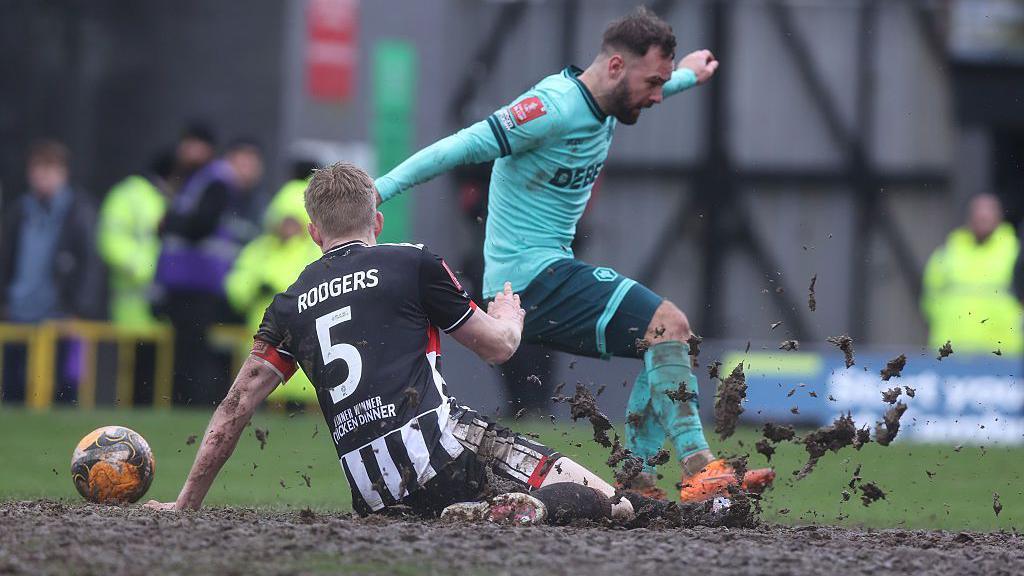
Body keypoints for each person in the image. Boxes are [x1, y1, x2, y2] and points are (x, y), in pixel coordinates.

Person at [372, 7, 773, 501]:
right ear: (615, 67)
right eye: (652, 82)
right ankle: (701, 468)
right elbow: (457, 147)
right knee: (669, 325)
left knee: (663, 343)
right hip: (529, 278)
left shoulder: (607, 100)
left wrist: (686, 75)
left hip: (544, 274)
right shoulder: (553, 106)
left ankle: (638, 483)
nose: (655, 95)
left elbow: (647, 91)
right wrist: (379, 190)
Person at [146, 162, 634, 525]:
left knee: (441, 480)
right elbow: (498, 349)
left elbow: (235, 407)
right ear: (376, 223)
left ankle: (482, 510)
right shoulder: (413, 263)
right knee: (614, 505)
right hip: (444, 453)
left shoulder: (289, 305)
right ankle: (513, 512)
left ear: (315, 233)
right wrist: (509, 319)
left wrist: (185, 501)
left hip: (375, 496)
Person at [156, 138, 264, 405]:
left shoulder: (204, 180)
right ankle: (191, 402)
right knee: (194, 349)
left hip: (186, 278)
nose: (249, 171)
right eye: (245, 163)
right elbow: (200, 225)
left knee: (190, 347)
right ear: (232, 159)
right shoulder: (220, 183)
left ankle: (187, 401)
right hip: (196, 280)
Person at [0, 140, 104, 402]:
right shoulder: (19, 210)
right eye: (38, 169)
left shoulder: (79, 210)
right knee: (14, 383)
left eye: (50, 169)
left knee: (63, 386)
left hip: (61, 312)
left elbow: (90, 263)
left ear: (63, 173)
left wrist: (79, 309)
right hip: (20, 308)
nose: (43, 176)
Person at [225, 163, 322, 406]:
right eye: (284, 219)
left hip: (305, 361)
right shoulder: (259, 250)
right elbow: (235, 287)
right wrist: (254, 288)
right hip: (262, 344)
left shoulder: (315, 252)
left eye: (294, 220)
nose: (288, 226)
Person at [922, 193, 1022, 355]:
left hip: (1004, 353)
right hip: (952, 351)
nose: (982, 216)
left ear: (1000, 216)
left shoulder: (1016, 253)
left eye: (988, 211)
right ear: (968, 217)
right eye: (978, 212)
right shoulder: (948, 252)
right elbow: (929, 299)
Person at [98, 152, 174, 328]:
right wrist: (151, 271)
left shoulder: (162, 198)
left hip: (159, 312)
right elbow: (111, 242)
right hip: (133, 311)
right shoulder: (131, 195)